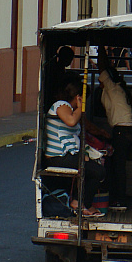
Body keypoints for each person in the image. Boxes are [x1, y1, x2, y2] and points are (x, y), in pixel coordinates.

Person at [44, 80, 106, 217]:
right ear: (79, 96)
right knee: (97, 171)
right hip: (58, 157)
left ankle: (80, 202)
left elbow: (84, 125)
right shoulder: (61, 105)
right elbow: (71, 121)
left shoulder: (70, 109)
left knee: (95, 168)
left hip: (67, 155)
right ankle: (80, 203)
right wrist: (80, 107)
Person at [97, 48, 132, 209]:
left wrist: (100, 48)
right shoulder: (117, 90)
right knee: (118, 166)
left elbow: (102, 67)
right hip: (126, 131)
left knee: (118, 167)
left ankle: (120, 200)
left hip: (122, 131)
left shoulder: (113, 88)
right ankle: (118, 197)